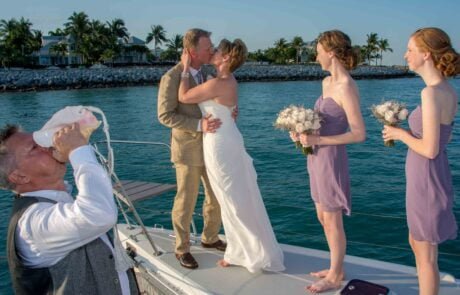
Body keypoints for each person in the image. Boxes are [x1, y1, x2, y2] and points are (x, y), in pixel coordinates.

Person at [178, 38, 285, 273]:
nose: (214, 52)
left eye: (217, 51)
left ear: (226, 58)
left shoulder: (219, 82)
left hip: (219, 144)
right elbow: (224, 107)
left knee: (231, 198)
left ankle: (245, 252)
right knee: (234, 197)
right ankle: (240, 250)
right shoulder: (227, 80)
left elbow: (184, 97)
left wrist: (185, 69)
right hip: (226, 137)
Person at [0, 123, 139, 294]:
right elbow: (98, 213)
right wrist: (78, 150)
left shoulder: (59, 201)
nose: (47, 145)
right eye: (34, 147)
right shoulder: (32, 224)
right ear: (20, 176)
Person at [382, 27, 459, 295]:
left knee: (424, 253)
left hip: (426, 175)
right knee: (418, 243)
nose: (405, 55)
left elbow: (429, 148)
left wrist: (399, 133)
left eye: (410, 50)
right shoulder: (447, 90)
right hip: (431, 174)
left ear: (426, 54)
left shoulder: (430, 93)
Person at [290, 30, 366, 293]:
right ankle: (337, 267)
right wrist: (302, 133)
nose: (316, 54)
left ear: (331, 52)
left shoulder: (346, 86)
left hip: (331, 158)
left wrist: (318, 141)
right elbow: (322, 122)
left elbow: (359, 133)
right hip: (315, 157)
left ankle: (335, 275)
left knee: (332, 218)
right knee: (322, 215)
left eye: (319, 49)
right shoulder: (326, 82)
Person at [157, 28, 227, 270]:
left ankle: (209, 238)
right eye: (208, 48)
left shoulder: (205, 74)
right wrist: (199, 125)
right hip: (187, 150)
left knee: (215, 195)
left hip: (211, 148)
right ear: (191, 51)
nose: (212, 50)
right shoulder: (172, 77)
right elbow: (164, 115)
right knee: (186, 201)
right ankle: (182, 248)